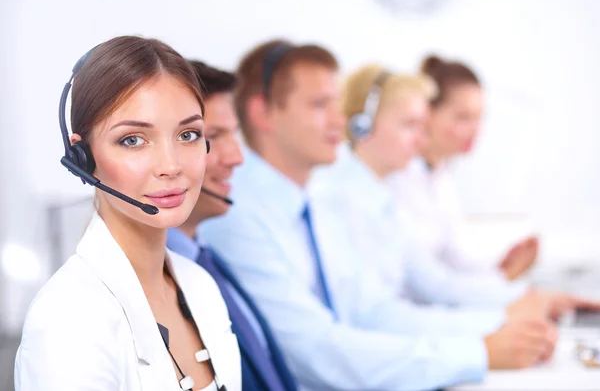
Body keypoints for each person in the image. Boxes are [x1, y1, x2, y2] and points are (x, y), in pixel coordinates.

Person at [200, 40, 557, 391]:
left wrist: (493, 327)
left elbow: (369, 309)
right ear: (263, 114)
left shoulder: (310, 204)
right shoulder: (238, 213)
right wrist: (477, 349)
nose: (342, 120)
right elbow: (315, 352)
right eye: (320, 104)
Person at [14, 36, 241, 391]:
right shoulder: (67, 321)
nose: (171, 165)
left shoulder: (202, 287)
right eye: (133, 140)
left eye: (188, 134)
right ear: (83, 159)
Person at [310, 64, 600, 319]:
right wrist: (500, 318)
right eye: (411, 125)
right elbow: (389, 310)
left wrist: (518, 292)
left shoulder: (384, 195)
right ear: (362, 126)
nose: (420, 139)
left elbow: (434, 280)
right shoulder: (346, 196)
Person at [167, 60, 297, 391]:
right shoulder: (158, 285)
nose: (237, 157)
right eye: (212, 137)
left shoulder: (207, 260)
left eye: (233, 135)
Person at [387, 55, 537, 281]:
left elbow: (455, 258)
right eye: (463, 118)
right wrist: (497, 284)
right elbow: (419, 280)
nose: (476, 130)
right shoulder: (395, 177)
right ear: (426, 114)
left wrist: (502, 269)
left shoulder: (440, 176)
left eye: (480, 118)